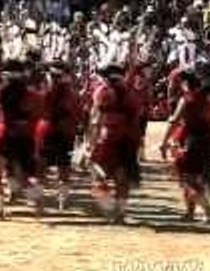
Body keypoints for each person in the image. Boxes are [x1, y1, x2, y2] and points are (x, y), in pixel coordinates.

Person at [0, 59, 43, 220]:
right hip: (25, 135)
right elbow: (38, 118)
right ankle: (38, 203)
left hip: (4, 133)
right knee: (25, 176)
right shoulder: (33, 94)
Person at [86, 64, 143, 224]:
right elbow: (138, 116)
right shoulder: (132, 93)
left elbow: (96, 120)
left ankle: (108, 208)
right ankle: (120, 214)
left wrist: (90, 143)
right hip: (129, 139)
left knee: (98, 176)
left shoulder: (102, 92)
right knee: (122, 179)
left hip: (108, 138)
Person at [167, 71, 210, 222]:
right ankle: (190, 213)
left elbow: (174, 121)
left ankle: (206, 208)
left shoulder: (186, 99)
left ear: (185, 83)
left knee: (186, 178)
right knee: (197, 177)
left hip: (191, 140)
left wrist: (165, 141)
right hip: (206, 141)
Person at [34, 61, 80, 211]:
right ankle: (62, 200)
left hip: (48, 131)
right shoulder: (71, 93)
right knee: (62, 169)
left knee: (43, 169)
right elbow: (76, 114)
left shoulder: (44, 92)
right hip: (62, 132)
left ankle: (40, 201)